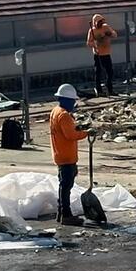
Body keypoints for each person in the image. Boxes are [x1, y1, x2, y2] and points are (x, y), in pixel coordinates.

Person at [51, 84, 91, 226]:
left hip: (60, 154)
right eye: (73, 101)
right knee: (66, 185)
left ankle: (61, 212)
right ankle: (66, 215)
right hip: (66, 156)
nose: (74, 103)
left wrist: (80, 127)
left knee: (64, 185)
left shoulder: (55, 111)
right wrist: (86, 133)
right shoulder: (64, 115)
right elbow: (71, 135)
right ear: (67, 100)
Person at [87, 14, 118, 97]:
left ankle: (110, 90)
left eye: (102, 21)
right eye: (99, 22)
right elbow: (89, 43)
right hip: (98, 54)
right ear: (95, 23)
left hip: (106, 53)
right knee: (98, 72)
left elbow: (115, 35)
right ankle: (99, 90)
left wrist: (110, 34)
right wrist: (94, 45)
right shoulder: (92, 31)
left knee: (110, 72)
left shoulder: (106, 27)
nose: (101, 23)